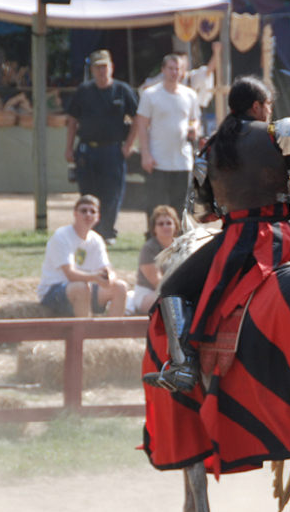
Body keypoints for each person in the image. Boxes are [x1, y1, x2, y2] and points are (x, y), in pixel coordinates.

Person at [143, 76, 290, 392]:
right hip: (279, 235)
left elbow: (201, 212)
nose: (270, 111)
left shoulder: (210, 148)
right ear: (257, 106)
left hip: (235, 240)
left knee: (171, 286)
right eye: (268, 105)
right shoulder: (278, 131)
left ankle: (184, 366)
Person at [64, 49, 140, 244]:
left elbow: (138, 118)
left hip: (113, 149)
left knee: (112, 193)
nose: (101, 70)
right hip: (87, 149)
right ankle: (89, 232)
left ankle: (107, 232)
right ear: (92, 70)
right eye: (97, 67)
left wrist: (129, 145)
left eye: (104, 66)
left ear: (111, 68)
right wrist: (69, 147)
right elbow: (72, 119)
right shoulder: (84, 90)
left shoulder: (122, 90)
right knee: (88, 193)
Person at [37, 195, 128, 318]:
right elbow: (70, 274)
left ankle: (111, 334)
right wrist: (96, 277)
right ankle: (85, 332)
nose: (88, 214)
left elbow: (107, 269)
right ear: (75, 214)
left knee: (120, 287)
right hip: (54, 292)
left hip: (86, 290)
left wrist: (109, 279)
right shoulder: (62, 235)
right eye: (83, 210)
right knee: (82, 287)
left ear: (98, 217)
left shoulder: (96, 239)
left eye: (93, 211)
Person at [137, 54, 200, 222]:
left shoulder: (190, 95)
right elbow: (141, 125)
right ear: (163, 70)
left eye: (177, 69)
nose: (174, 72)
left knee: (180, 206)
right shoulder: (150, 94)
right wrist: (145, 155)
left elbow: (195, 119)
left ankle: (178, 241)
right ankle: (153, 240)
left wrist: (194, 128)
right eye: (171, 68)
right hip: (157, 160)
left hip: (182, 161)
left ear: (182, 72)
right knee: (154, 206)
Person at [128, 204, 181, 316]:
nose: (165, 227)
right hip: (148, 293)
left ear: (175, 226)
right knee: (165, 298)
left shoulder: (182, 247)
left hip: (175, 290)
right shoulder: (149, 248)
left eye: (169, 223)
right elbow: (158, 282)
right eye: (161, 224)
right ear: (154, 228)